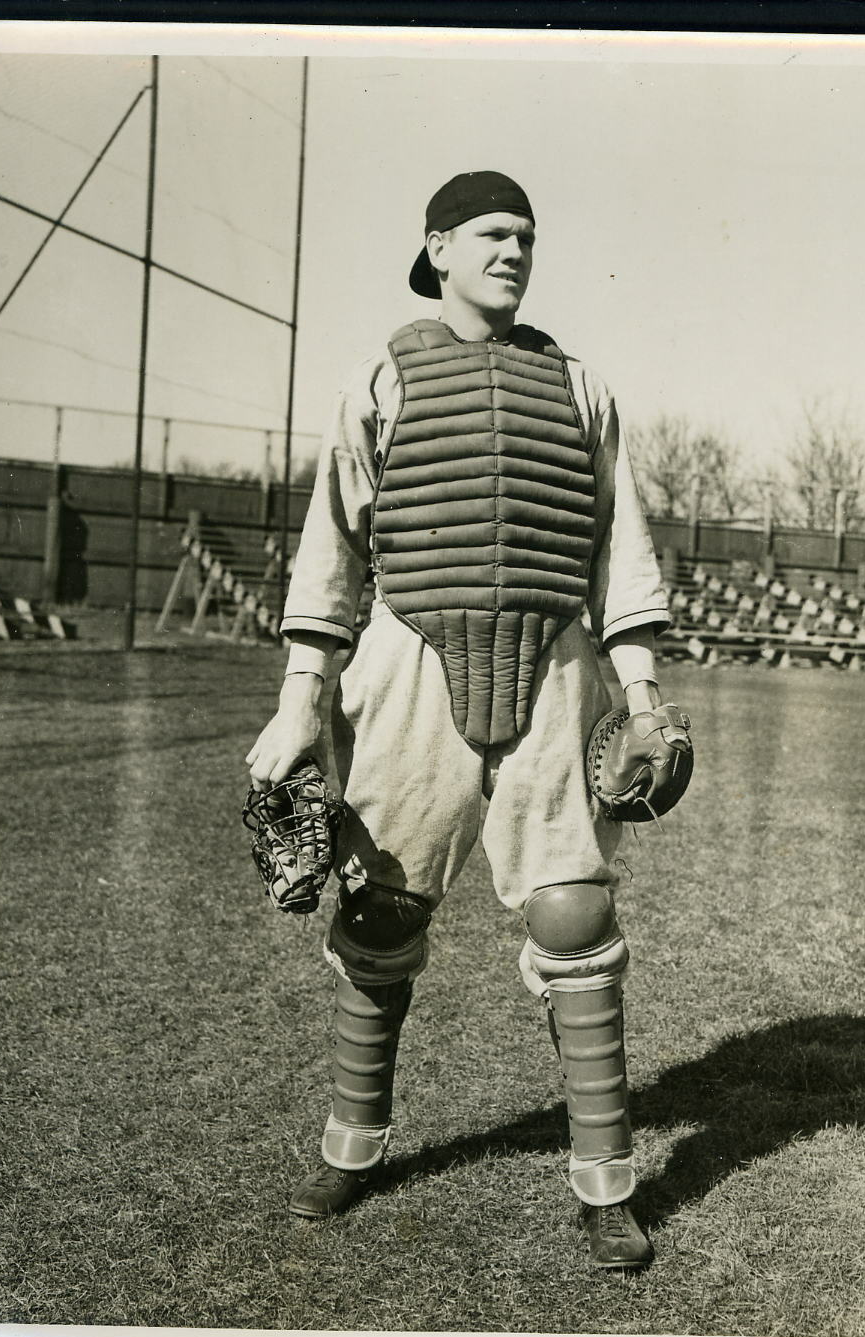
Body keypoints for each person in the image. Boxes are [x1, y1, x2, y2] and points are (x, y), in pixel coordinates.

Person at [247, 171, 674, 1269]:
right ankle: (351, 1148)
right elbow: (332, 543)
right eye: (491, 232)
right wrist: (301, 699)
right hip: (406, 662)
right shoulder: (383, 376)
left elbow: (619, 546)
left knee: (576, 914)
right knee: (382, 908)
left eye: (527, 235)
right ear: (436, 247)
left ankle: (606, 1185)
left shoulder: (579, 385)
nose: (513, 249)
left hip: (556, 664)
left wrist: (646, 691)